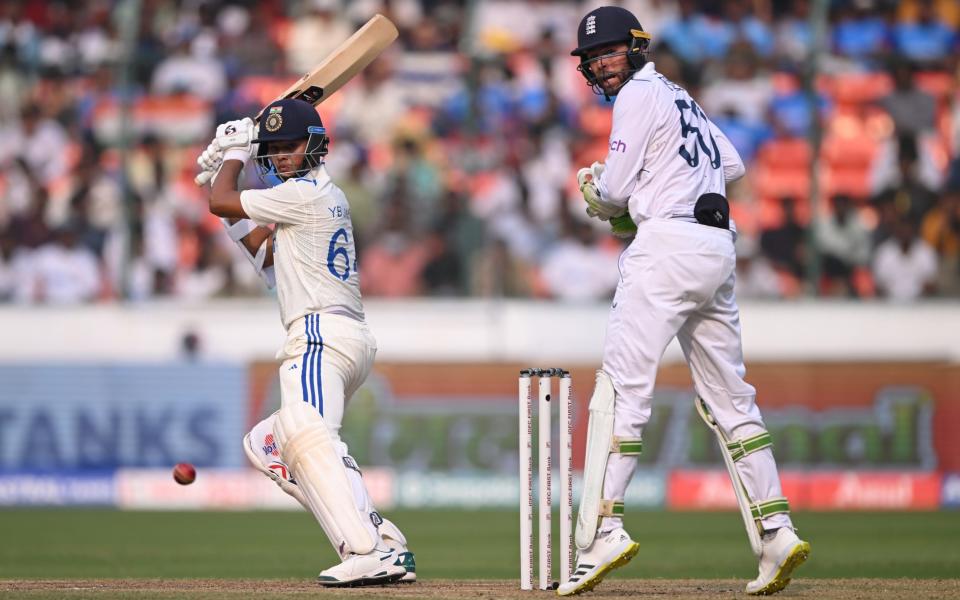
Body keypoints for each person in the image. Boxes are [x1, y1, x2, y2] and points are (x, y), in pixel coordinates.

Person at [560, 6, 809, 597]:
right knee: (730, 396)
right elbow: (732, 163)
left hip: (666, 247)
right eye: (594, 59)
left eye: (611, 52)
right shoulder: (678, 94)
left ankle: (603, 530)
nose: (602, 65)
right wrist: (661, 182)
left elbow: (615, 190)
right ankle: (776, 532)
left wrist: (599, 194)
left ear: (637, 49)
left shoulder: (636, 97)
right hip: (715, 247)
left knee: (622, 389)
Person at [196, 98, 415, 587]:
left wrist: (235, 153)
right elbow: (267, 257)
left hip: (319, 336)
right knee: (268, 443)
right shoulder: (309, 199)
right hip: (343, 335)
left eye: (289, 147)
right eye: (272, 150)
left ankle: (363, 548)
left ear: (315, 144)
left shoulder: (305, 193)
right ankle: (383, 538)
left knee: (310, 434)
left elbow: (222, 200)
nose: (280, 157)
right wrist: (226, 177)